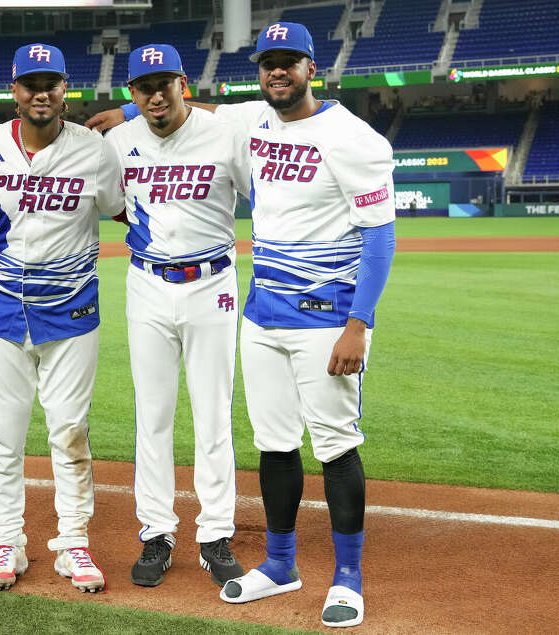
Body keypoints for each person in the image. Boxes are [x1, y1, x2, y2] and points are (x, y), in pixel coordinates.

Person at [88, 24, 396, 627]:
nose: (278, 72)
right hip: (261, 314)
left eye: (289, 63)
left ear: (313, 67)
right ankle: (280, 564)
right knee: (274, 443)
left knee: (334, 445)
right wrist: (128, 106)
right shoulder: (252, 118)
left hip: (325, 313)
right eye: (268, 63)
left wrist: (360, 322)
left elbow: (381, 234)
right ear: (258, 71)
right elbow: (193, 107)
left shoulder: (352, 137)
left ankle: (348, 577)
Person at [0, 43, 124, 593]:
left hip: (73, 311)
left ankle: (73, 542)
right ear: (15, 89)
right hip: (1, 309)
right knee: (3, 435)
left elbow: (124, 209)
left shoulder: (96, 152)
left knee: (69, 430)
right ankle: (7, 540)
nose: (41, 92)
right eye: (31, 82)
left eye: (51, 82)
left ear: (64, 89)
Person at [102, 44, 251, 590]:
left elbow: (261, 193)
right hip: (146, 284)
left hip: (212, 283)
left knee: (213, 414)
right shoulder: (119, 142)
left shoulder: (225, 134)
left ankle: (214, 533)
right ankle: (158, 532)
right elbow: (108, 201)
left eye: (165, 83)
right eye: (144, 86)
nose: (156, 94)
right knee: (153, 414)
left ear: (183, 84)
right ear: (132, 94)